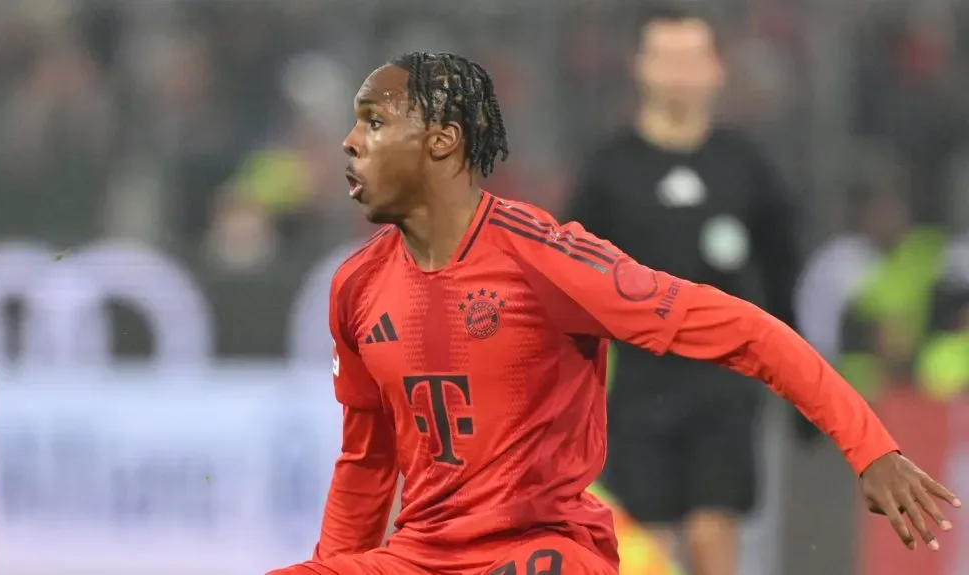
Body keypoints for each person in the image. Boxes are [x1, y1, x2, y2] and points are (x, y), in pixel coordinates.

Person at [267, 52, 960, 575]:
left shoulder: (545, 259)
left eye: (376, 121)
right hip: (421, 557)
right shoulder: (356, 286)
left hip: (542, 551)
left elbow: (747, 329)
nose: (350, 141)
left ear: (443, 141)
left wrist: (871, 448)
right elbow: (367, 459)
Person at [564, 5, 803, 573]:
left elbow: (781, 272)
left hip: (724, 385)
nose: (679, 73)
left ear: (717, 69)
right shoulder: (608, 171)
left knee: (711, 535)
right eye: (666, 59)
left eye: (691, 59)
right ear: (640, 67)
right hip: (638, 387)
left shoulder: (747, 167)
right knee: (646, 549)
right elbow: (567, 283)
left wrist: (800, 384)